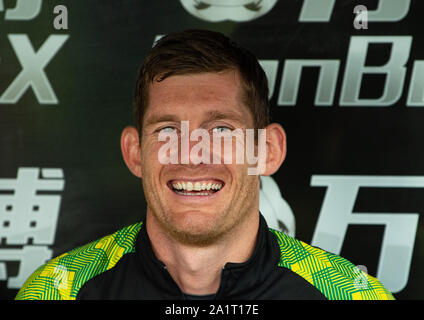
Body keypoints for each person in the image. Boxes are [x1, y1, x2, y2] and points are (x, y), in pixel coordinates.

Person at [16, 29, 394, 300]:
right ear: (135, 153)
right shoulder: (57, 292)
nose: (193, 154)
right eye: (167, 131)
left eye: (220, 130)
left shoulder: (350, 295)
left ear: (268, 151)